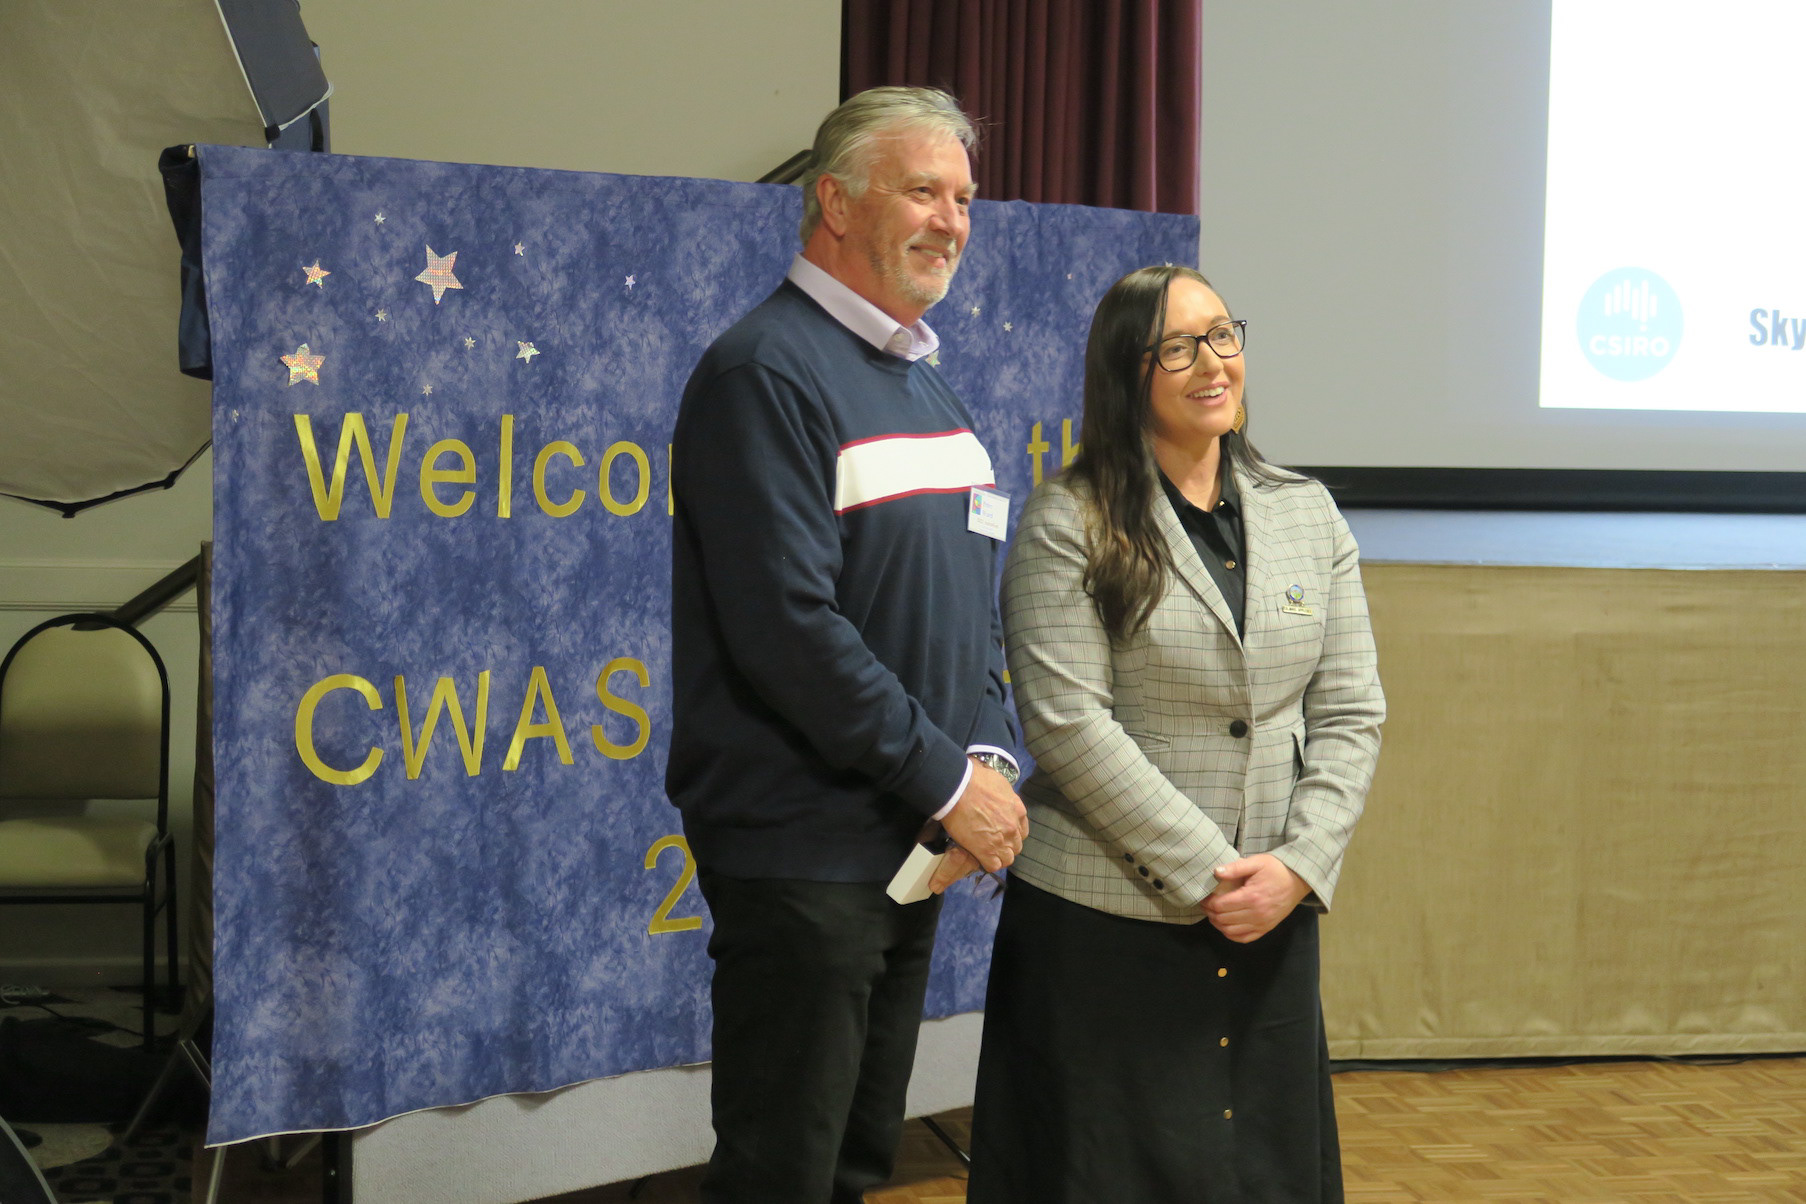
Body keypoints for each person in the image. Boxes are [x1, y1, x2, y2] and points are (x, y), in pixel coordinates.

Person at [665, 86, 1027, 1204]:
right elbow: (788, 630)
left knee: (856, 1163)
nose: (951, 220)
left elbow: (974, 604)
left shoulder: (925, 376)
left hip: (904, 847)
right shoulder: (763, 372)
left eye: (962, 197)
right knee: (783, 1170)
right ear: (833, 201)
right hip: (803, 851)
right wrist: (944, 778)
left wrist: (993, 758)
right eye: (923, 190)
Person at [967, 265, 1385, 1202]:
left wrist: (1298, 867)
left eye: (1224, 335)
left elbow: (1352, 710)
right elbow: (1070, 725)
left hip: (1271, 912)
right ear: (1129, 373)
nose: (1213, 363)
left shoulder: (1304, 511)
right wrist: (1214, 874)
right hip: (1110, 921)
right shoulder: (1065, 520)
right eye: (1178, 347)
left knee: (1261, 1177)